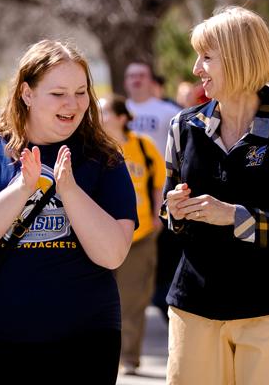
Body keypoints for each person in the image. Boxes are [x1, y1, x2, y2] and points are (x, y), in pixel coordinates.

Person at [0, 40, 138, 384]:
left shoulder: (104, 157)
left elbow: (113, 255)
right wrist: (21, 189)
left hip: (86, 339)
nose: (73, 104)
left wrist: (71, 191)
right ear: (27, 93)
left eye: (80, 92)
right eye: (58, 93)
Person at [162, 6, 269, 385]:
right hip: (194, 309)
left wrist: (238, 218)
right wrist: (173, 210)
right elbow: (166, 211)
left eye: (206, 57)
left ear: (238, 60)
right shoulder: (182, 127)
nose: (195, 69)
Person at [99, 95, 166, 376]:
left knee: (134, 299)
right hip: (101, 232)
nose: (99, 117)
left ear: (122, 117)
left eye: (104, 112)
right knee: (101, 300)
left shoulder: (143, 146)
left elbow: (159, 182)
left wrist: (157, 214)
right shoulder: (94, 148)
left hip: (141, 234)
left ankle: (128, 357)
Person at [123, 61, 183, 326]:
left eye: (141, 75)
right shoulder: (117, 110)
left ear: (151, 80)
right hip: (127, 194)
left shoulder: (168, 112)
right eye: (131, 75)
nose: (136, 80)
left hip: (161, 193)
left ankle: (167, 304)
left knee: (164, 260)